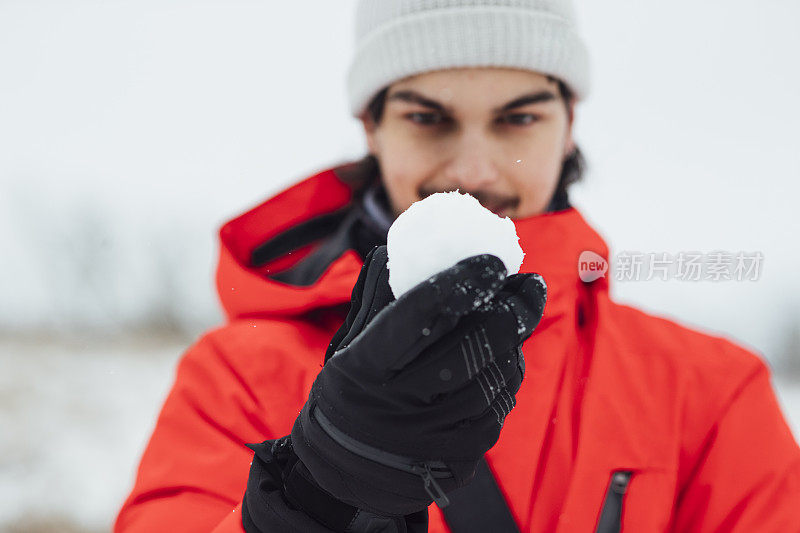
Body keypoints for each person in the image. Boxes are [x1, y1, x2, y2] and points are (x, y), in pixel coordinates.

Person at [114, 1, 800, 532]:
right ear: (372, 126)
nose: (474, 169)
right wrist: (315, 496)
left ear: (569, 124)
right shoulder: (235, 376)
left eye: (517, 119)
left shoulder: (709, 395)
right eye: (429, 118)